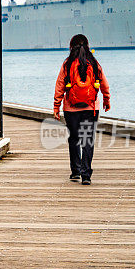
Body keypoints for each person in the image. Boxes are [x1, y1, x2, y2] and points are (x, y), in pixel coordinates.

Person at [53, 34, 110, 185]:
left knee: (74, 139)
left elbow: (59, 85)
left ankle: (75, 172)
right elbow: (104, 83)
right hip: (90, 108)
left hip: (71, 109)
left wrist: (56, 107)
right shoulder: (94, 62)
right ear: (87, 45)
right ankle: (86, 175)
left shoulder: (67, 63)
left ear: (71, 46)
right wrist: (106, 99)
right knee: (87, 140)